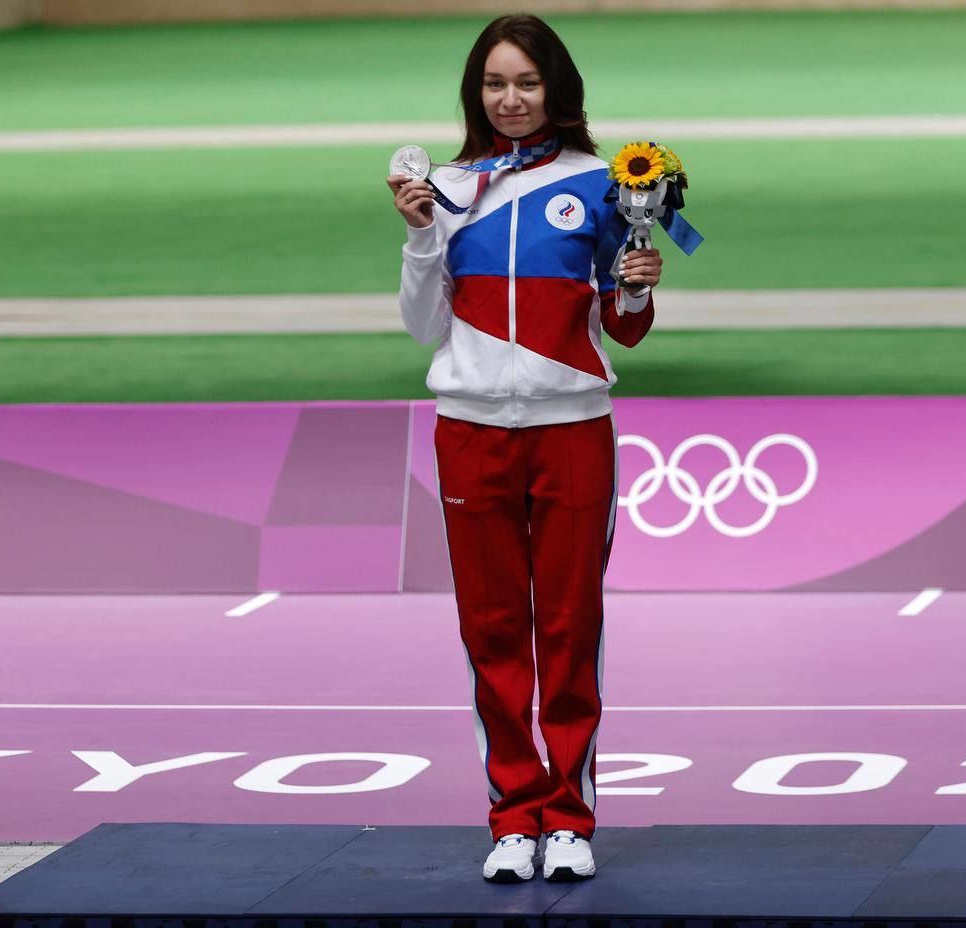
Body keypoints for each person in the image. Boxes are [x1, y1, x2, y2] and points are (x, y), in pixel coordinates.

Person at [386, 13, 662, 883]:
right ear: (476, 93)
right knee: (493, 628)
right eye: (496, 84)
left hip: (572, 430)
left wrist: (637, 287)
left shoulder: (602, 185)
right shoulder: (447, 188)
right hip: (469, 432)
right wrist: (421, 236)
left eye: (528, 83)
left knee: (570, 629)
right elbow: (421, 325)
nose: (511, 99)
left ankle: (569, 818)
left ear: (557, 90)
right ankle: (513, 817)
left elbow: (625, 328)